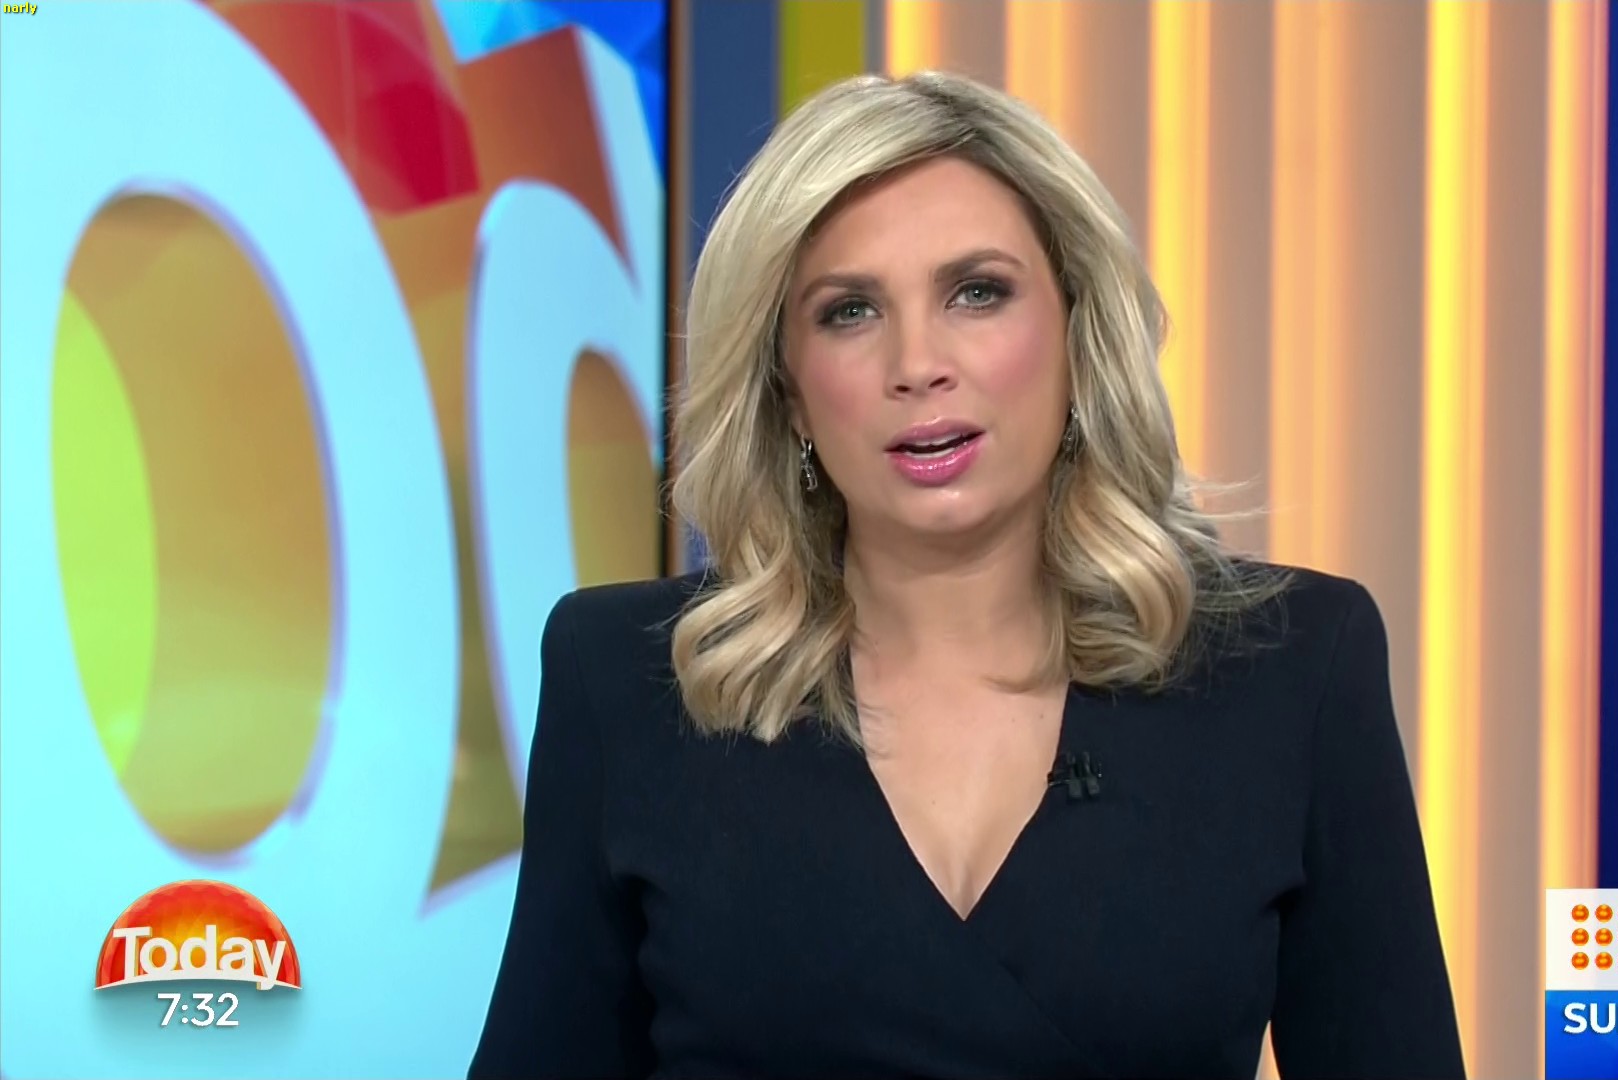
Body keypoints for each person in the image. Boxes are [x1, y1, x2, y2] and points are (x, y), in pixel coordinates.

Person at [469, 71, 1463, 1080]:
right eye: (850, 311)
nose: (919, 362)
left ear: (1077, 332)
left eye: (977, 292)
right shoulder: (634, 682)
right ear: (790, 393)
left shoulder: (1293, 670)